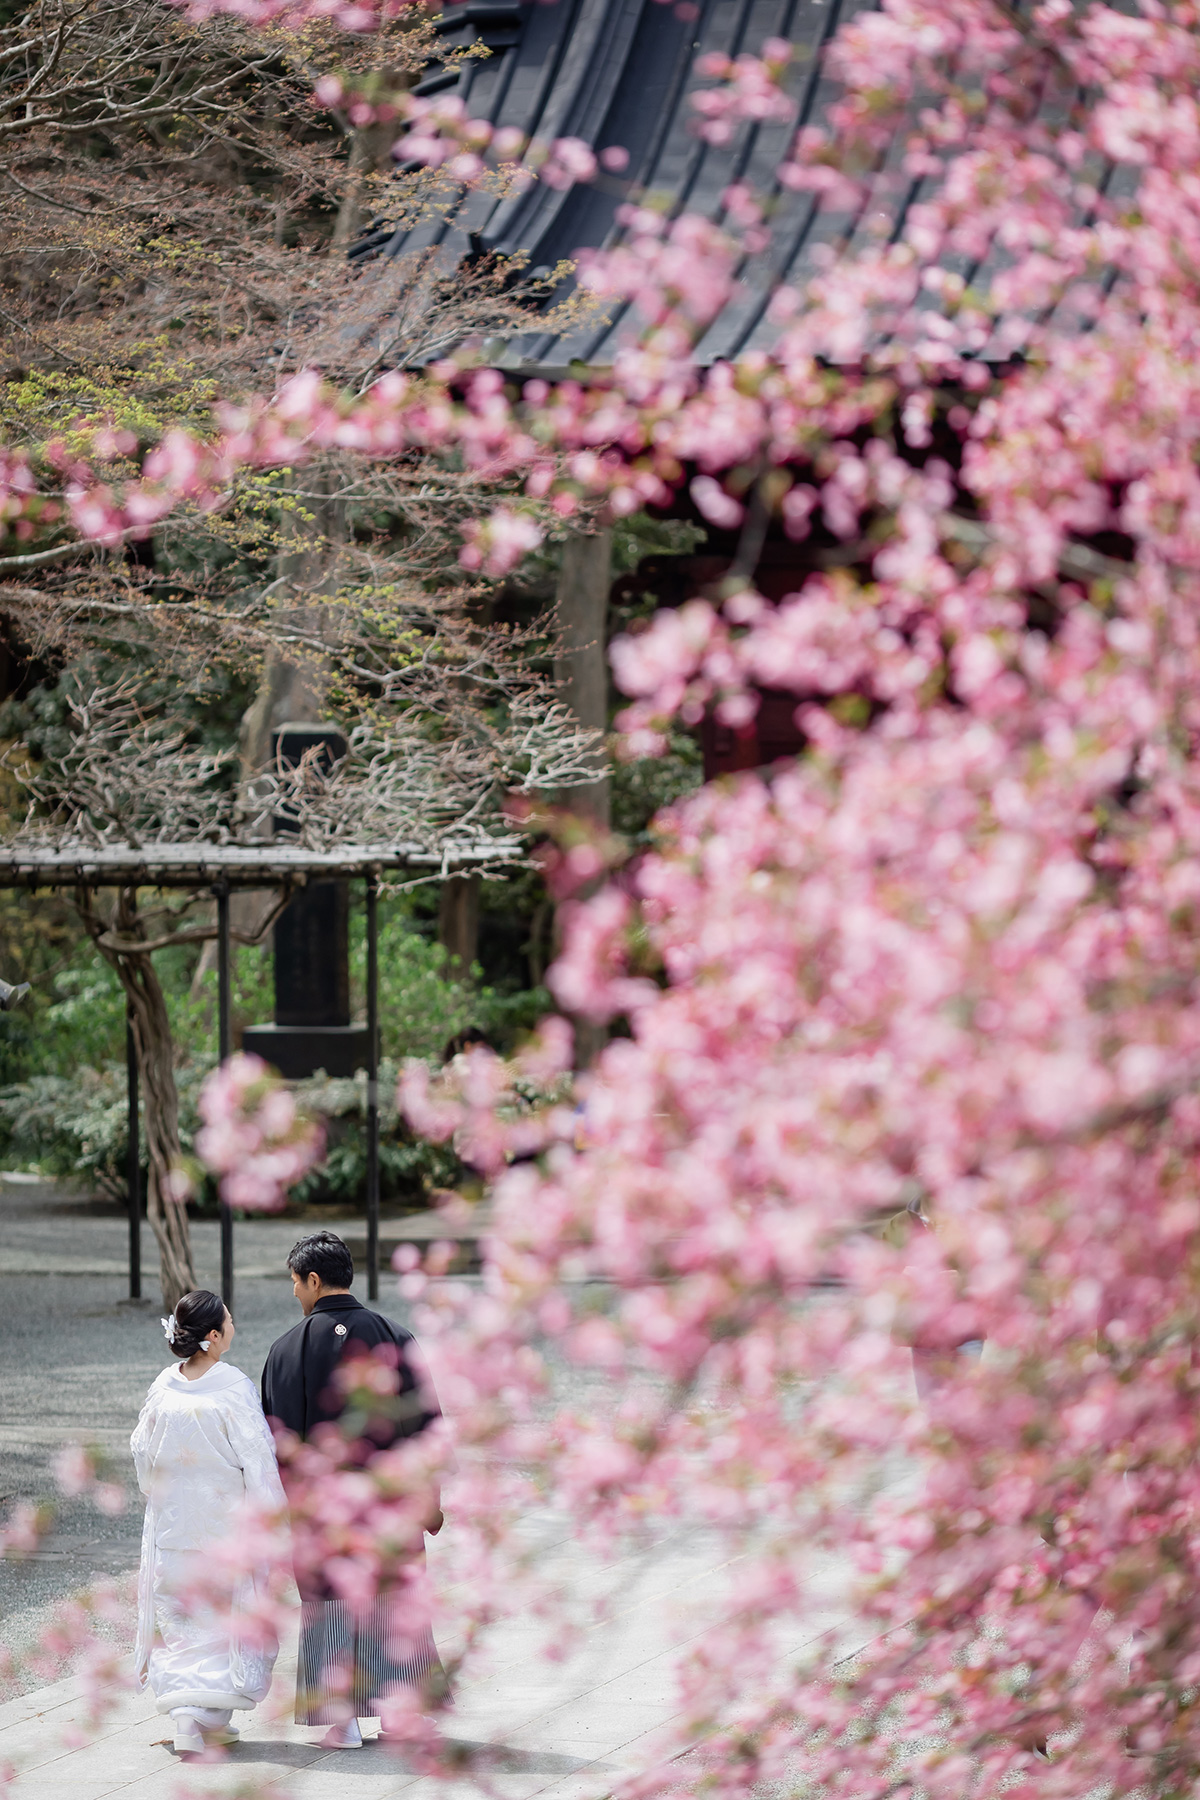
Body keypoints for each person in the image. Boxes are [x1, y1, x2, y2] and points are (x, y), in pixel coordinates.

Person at [261, 1229, 445, 1751]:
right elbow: (428, 1426)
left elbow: (277, 1443)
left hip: (321, 1511)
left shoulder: (285, 1352)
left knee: (330, 1601)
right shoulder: (396, 1335)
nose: (295, 1293)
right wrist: (430, 1499)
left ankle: (340, 1722)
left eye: (296, 1283)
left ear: (314, 1281)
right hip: (390, 1505)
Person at [131, 1289, 286, 1758]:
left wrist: (160, 1492)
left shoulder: (163, 1386)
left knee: (182, 1617)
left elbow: (141, 1450)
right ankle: (208, 1716)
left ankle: (188, 1718)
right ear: (214, 1336)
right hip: (226, 1527)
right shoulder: (233, 1387)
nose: (235, 1327)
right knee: (223, 1621)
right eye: (230, 1322)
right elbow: (258, 1457)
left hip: (174, 1525)